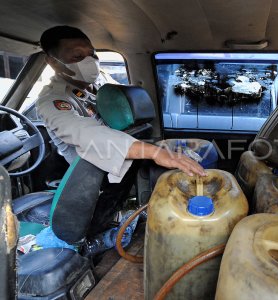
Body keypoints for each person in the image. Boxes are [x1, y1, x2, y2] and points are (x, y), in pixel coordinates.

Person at [36, 25, 206, 235]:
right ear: (52, 62)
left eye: (91, 54)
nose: (88, 61)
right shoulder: (53, 99)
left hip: (118, 160)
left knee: (194, 151)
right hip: (92, 178)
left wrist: (161, 149)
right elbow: (87, 133)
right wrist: (155, 152)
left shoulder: (99, 82)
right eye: (76, 56)